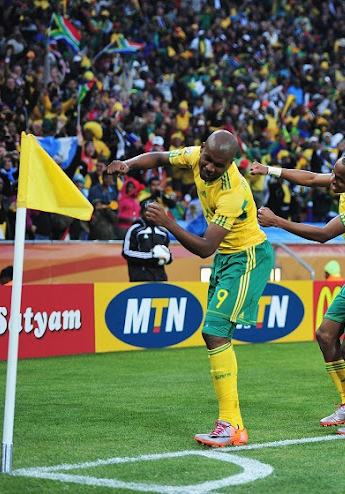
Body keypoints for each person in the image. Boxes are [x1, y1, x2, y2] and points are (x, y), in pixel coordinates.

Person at [108, 129, 274, 447]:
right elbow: (158, 157)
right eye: (208, 159)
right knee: (214, 333)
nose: (210, 167)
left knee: (214, 330)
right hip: (228, 258)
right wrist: (128, 163)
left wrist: (169, 223)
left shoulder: (233, 192)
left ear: (231, 163)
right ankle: (233, 425)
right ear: (202, 150)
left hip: (249, 257)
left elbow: (203, 248)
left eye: (219, 164)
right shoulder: (195, 155)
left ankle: (231, 424)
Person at [255, 149, 345, 435]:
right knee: (324, 335)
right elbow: (309, 178)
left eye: (339, 179)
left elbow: (323, 235)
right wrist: (269, 170)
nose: (333, 182)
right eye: (334, 174)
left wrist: (278, 222)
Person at [122, 199, 173, 282]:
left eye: (154, 212)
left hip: (160, 278)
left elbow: (167, 251)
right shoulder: (135, 229)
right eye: (148, 211)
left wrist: (168, 257)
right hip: (140, 278)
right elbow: (126, 252)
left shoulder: (163, 232)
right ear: (142, 213)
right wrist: (150, 256)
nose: (151, 214)